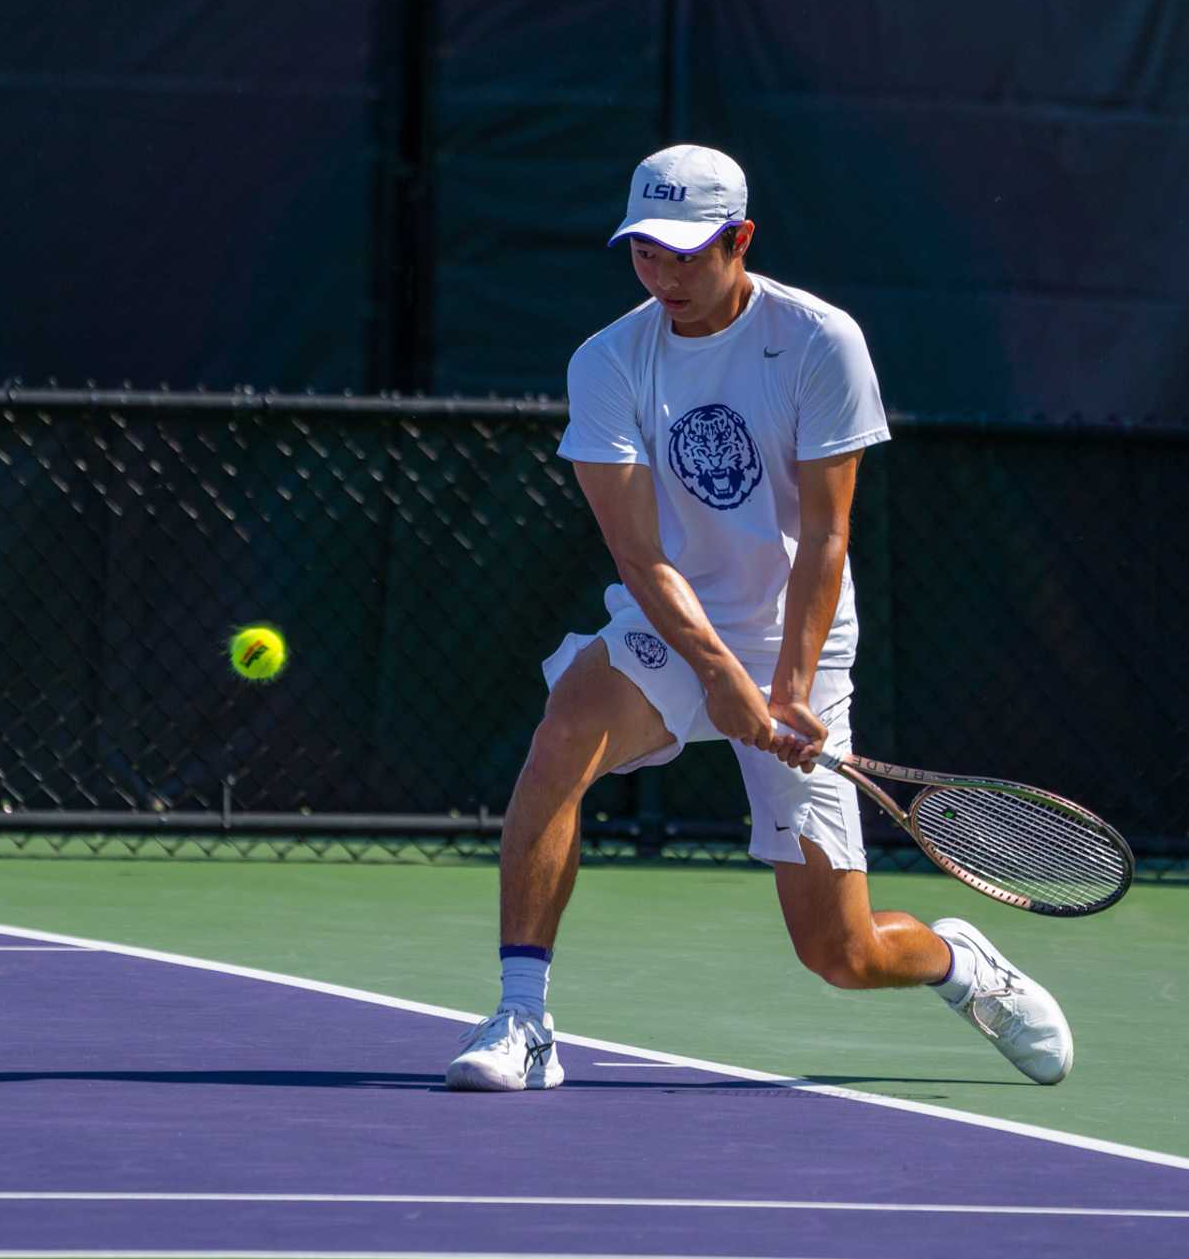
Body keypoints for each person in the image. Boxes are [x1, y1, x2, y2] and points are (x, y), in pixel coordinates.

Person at [446, 144, 1072, 1092]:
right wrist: (720, 676)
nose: (665, 276)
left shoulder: (820, 340)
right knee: (563, 733)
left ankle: (957, 964)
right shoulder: (608, 361)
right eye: (645, 252)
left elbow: (826, 535)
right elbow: (637, 552)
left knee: (841, 953)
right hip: (672, 618)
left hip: (801, 643)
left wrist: (783, 683)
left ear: (741, 239)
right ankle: (522, 1018)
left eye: (688, 254)